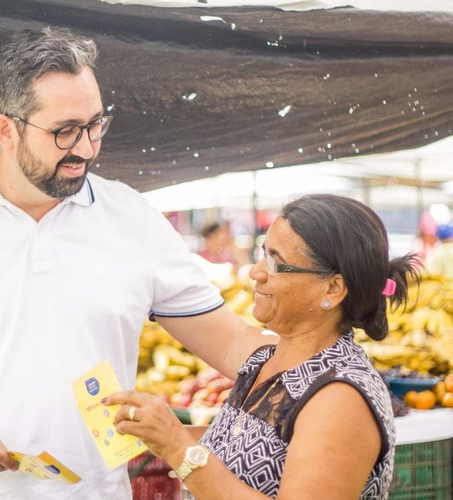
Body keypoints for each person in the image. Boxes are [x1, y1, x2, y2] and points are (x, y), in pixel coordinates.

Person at [0, 27, 271, 499]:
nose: (85, 148)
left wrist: (334, 371)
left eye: (95, 125)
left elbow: (231, 343)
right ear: (7, 131)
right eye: (64, 131)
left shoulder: (132, 219)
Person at [104, 193, 419, 499]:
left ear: (333, 288)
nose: (256, 272)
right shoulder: (267, 358)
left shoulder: (341, 397)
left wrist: (176, 445)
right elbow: (242, 451)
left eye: (275, 263)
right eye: (262, 254)